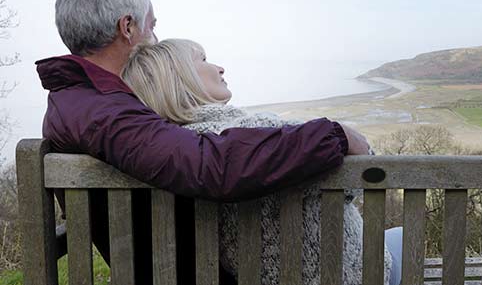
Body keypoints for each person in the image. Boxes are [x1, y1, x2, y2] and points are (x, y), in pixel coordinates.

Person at [36, 0, 370, 284]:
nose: (156, 39)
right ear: (128, 27)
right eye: (152, 26)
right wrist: (334, 135)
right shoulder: (105, 112)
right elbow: (211, 166)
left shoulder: (81, 102)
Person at [122, 38, 404, 285]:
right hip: (349, 275)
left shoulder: (174, 154)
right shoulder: (263, 132)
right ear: (179, 78)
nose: (219, 68)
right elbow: (357, 181)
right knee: (402, 236)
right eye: (203, 59)